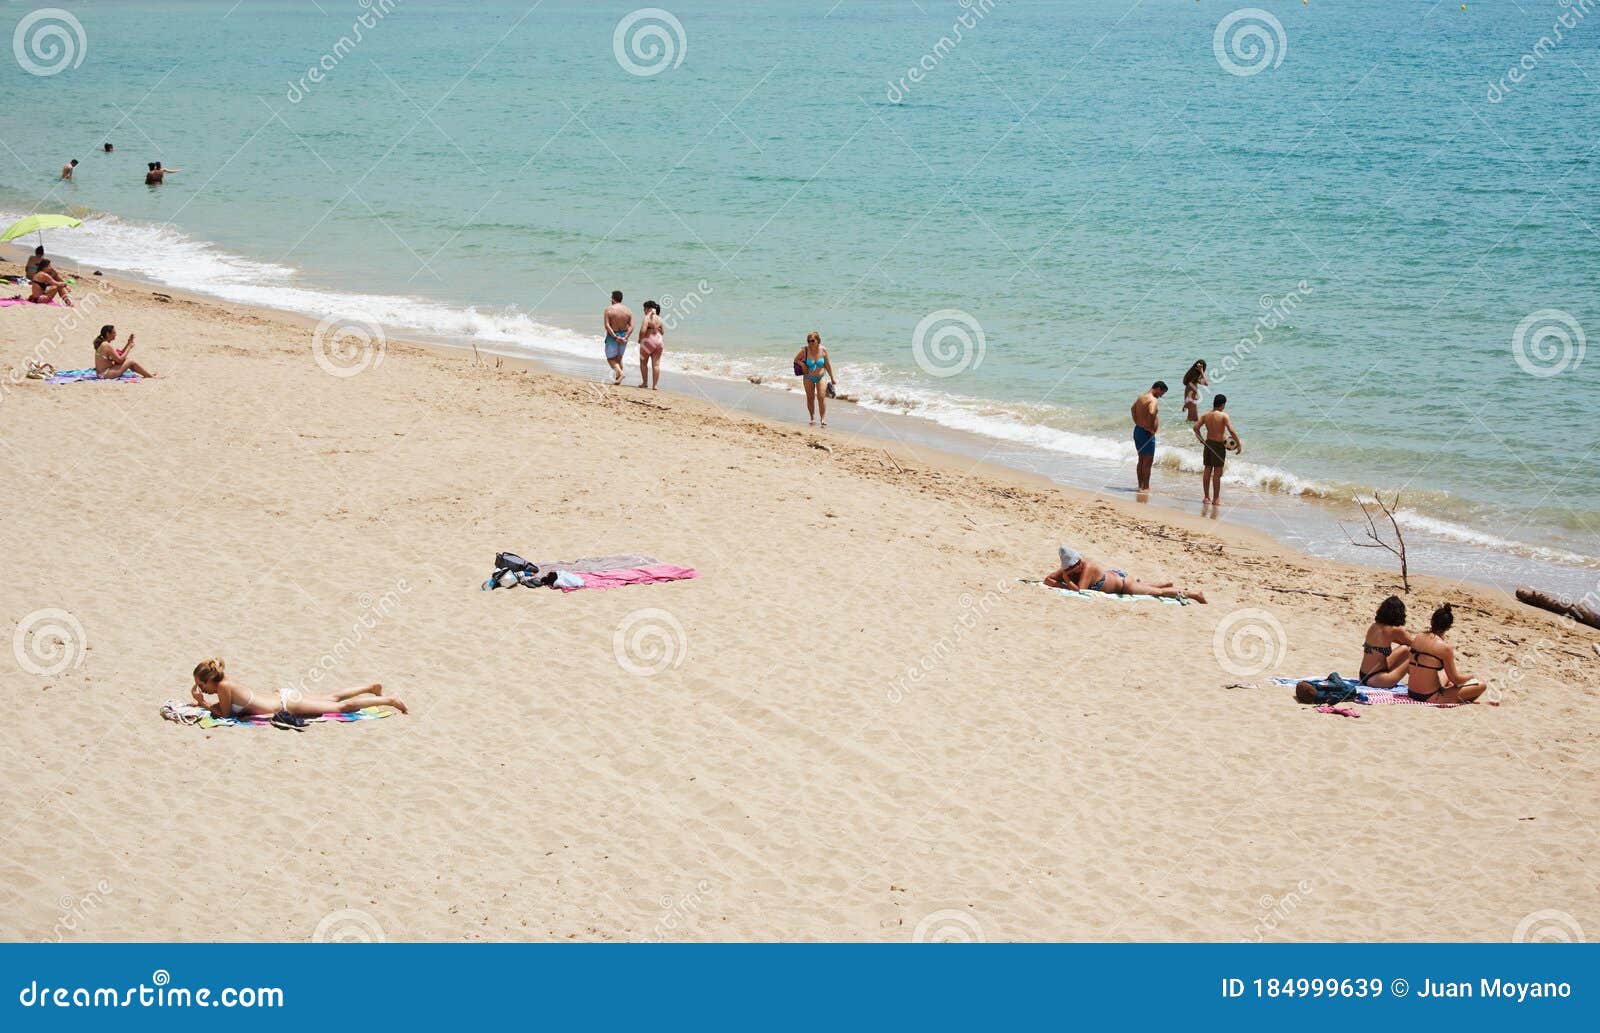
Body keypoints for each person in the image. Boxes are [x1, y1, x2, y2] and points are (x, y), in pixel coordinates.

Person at [191, 658, 407, 719]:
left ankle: (389, 700)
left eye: (202, 686)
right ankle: (371, 687)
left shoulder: (223, 687)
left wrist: (203, 704)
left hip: (287, 703)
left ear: (210, 680)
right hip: (284, 696)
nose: (203, 690)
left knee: (341, 708)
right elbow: (227, 706)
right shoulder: (226, 683)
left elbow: (226, 714)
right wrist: (204, 703)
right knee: (332, 697)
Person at [1042, 544, 1207, 604]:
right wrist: (1061, 579)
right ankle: (1165, 583)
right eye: (1068, 570)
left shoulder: (1087, 567)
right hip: (1117, 578)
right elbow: (1047, 580)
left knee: (1159, 594)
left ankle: (1193, 594)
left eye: (1072, 569)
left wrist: (1064, 580)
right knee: (1147, 587)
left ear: (1078, 562)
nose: (1070, 572)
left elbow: (1081, 591)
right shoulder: (1070, 569)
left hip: (1123, 585)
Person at [1404, 603, 1487, 704]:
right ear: (1448, 627)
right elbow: (1456, 680)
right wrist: (1471, 676)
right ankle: (1456, 698)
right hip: (1429, 696)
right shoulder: (1445, 648)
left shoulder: (1418, 637)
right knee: (1481, 685)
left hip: (1411, 692)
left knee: (1446, 676)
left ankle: (1452, 694)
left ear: (1431, 621)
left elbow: (1410, 668)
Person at [1192, 393, 1242, 505]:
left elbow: (1195, 428)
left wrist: (1202, 440)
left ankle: (1206, 497)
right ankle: (1216, 499)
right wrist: (1239, 444)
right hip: (1219, 446)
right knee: (1217, 473)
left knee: (1207, 471)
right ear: (1223, 404)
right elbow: (1231, 431)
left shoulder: (1206, 415)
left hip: (1208, 444)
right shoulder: (1224, 416)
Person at [1355, 595, 1413, 688]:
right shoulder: (1394, 630)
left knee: (1405, 648)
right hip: (1378, 679)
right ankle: (1419, 682)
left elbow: (1403, 643)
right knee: (1413, 652)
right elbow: (1415, 644)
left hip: (1363, 675)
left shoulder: (1374, 626)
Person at [793, 330, 836, 428]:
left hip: (821, 376)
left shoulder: (823, 350)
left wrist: (832, 378)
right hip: (808, 377)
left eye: (812, 341)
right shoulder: (805, 350)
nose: (810, 343)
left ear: (818, 340)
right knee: (810, 397)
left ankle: (822, 419)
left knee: (821, 397)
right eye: (808, 341)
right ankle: (812, 417)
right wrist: (802, 364)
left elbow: (827, 365)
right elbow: (796, 359)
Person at [1131, 380, 1166, 491]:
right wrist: (1150, 428)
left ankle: (1140, 485)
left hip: (1138, 430)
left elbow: (1132, 409)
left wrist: (1137, 422)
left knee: (1141, 459)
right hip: (1146, 433)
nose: (1160, 396)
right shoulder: (1153, 400)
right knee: (1148, 461)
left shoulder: (1141, 397)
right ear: (1158, 388)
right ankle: (1146, 487)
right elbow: (1151, 412)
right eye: (1162, 393)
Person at [603, 289, 632, 385]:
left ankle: (620, 373)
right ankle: (618, 380)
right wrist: (626, 336)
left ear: (613, 298)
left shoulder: (609, 309)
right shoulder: (628, 310)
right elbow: (632, 326)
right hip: (624, 335)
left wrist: (615, 336)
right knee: (619, 358)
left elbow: (607, 326)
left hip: (613, 336)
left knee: (611, 359)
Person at [636, 299, 664, 389]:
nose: (643, 311)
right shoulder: (660, 319)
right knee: (656, 365)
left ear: (648, 309)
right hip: (659, 342)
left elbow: (643, 330)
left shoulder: (647, 318)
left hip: (648, 342)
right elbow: (663, 332)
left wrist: (640, 339)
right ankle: (655, 385)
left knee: (643, 363)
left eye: (644, 309)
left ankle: (645, 383)